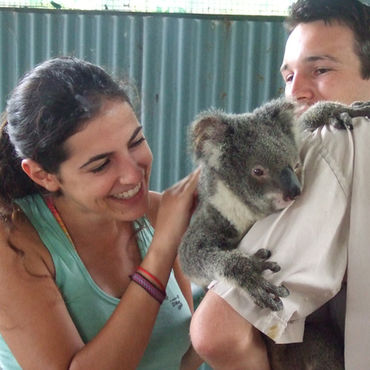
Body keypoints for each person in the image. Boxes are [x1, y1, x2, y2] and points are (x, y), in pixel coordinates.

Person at [189, 0, 370, 369]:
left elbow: (217, 332)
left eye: (320, 69)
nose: (296, 91)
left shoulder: (338, 141)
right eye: (288, 77)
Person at [0, 56, 203, 369]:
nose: (133, 175)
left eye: (136, 142)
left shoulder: (159, 212)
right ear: (43, 175)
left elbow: (183, 357)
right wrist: (161, 250)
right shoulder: (15, 243)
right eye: (101, 164)